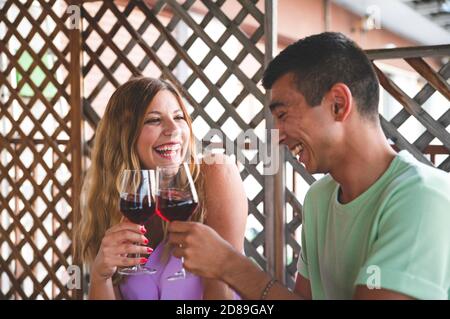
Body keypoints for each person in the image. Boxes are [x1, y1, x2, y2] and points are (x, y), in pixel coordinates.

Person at [167, 32, 450, 300]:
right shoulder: (320, 197)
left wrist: (230, 265)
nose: (277, 136)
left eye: (284, 114)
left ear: (338, 104)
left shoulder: (423, 198)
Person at [74, 77, 248, 300]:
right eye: (154, 120)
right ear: (124, 135)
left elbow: (221, 288)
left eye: (178, 117)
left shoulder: (214, 173)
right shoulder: (114, 203)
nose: (173, 129)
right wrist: (101, 276)